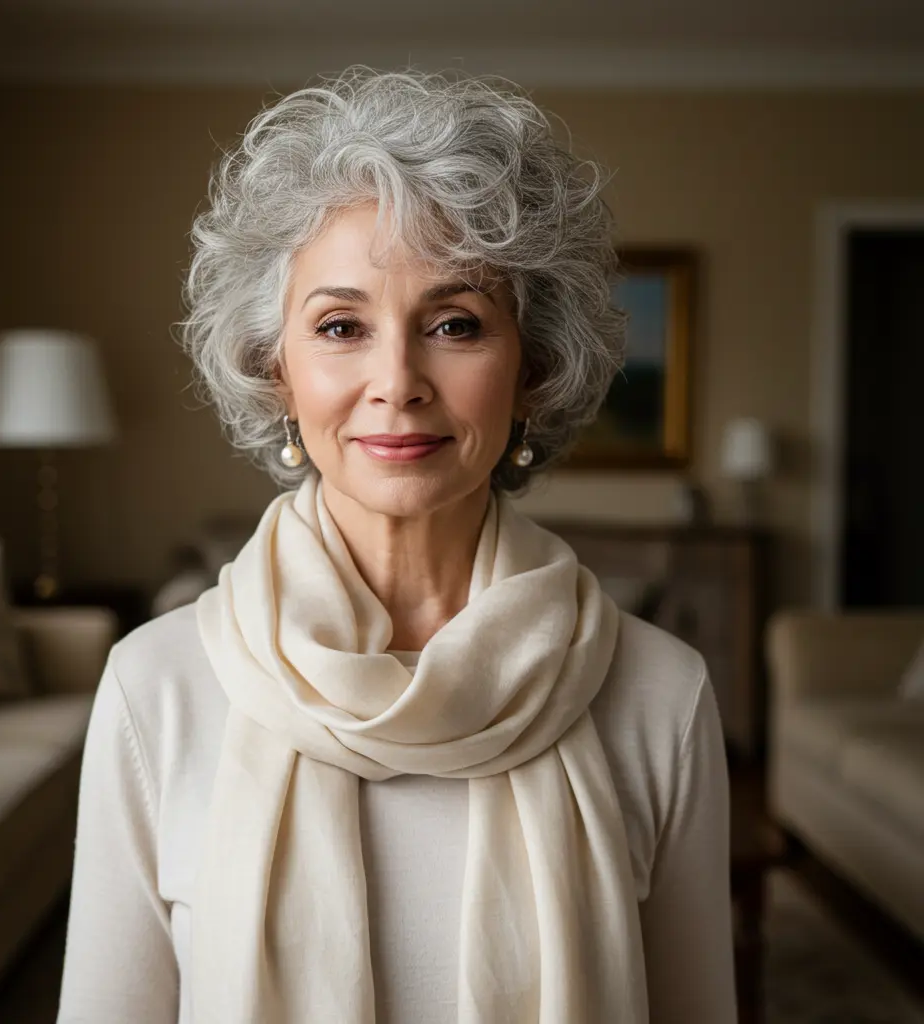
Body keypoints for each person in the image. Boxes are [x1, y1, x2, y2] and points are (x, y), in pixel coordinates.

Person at [57, 65, 736, 1024]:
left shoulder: (662, 695)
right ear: (274, 368)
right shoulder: (155, 689)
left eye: (455, 324)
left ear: (533, 368)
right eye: (341, 325)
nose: (397, 380)